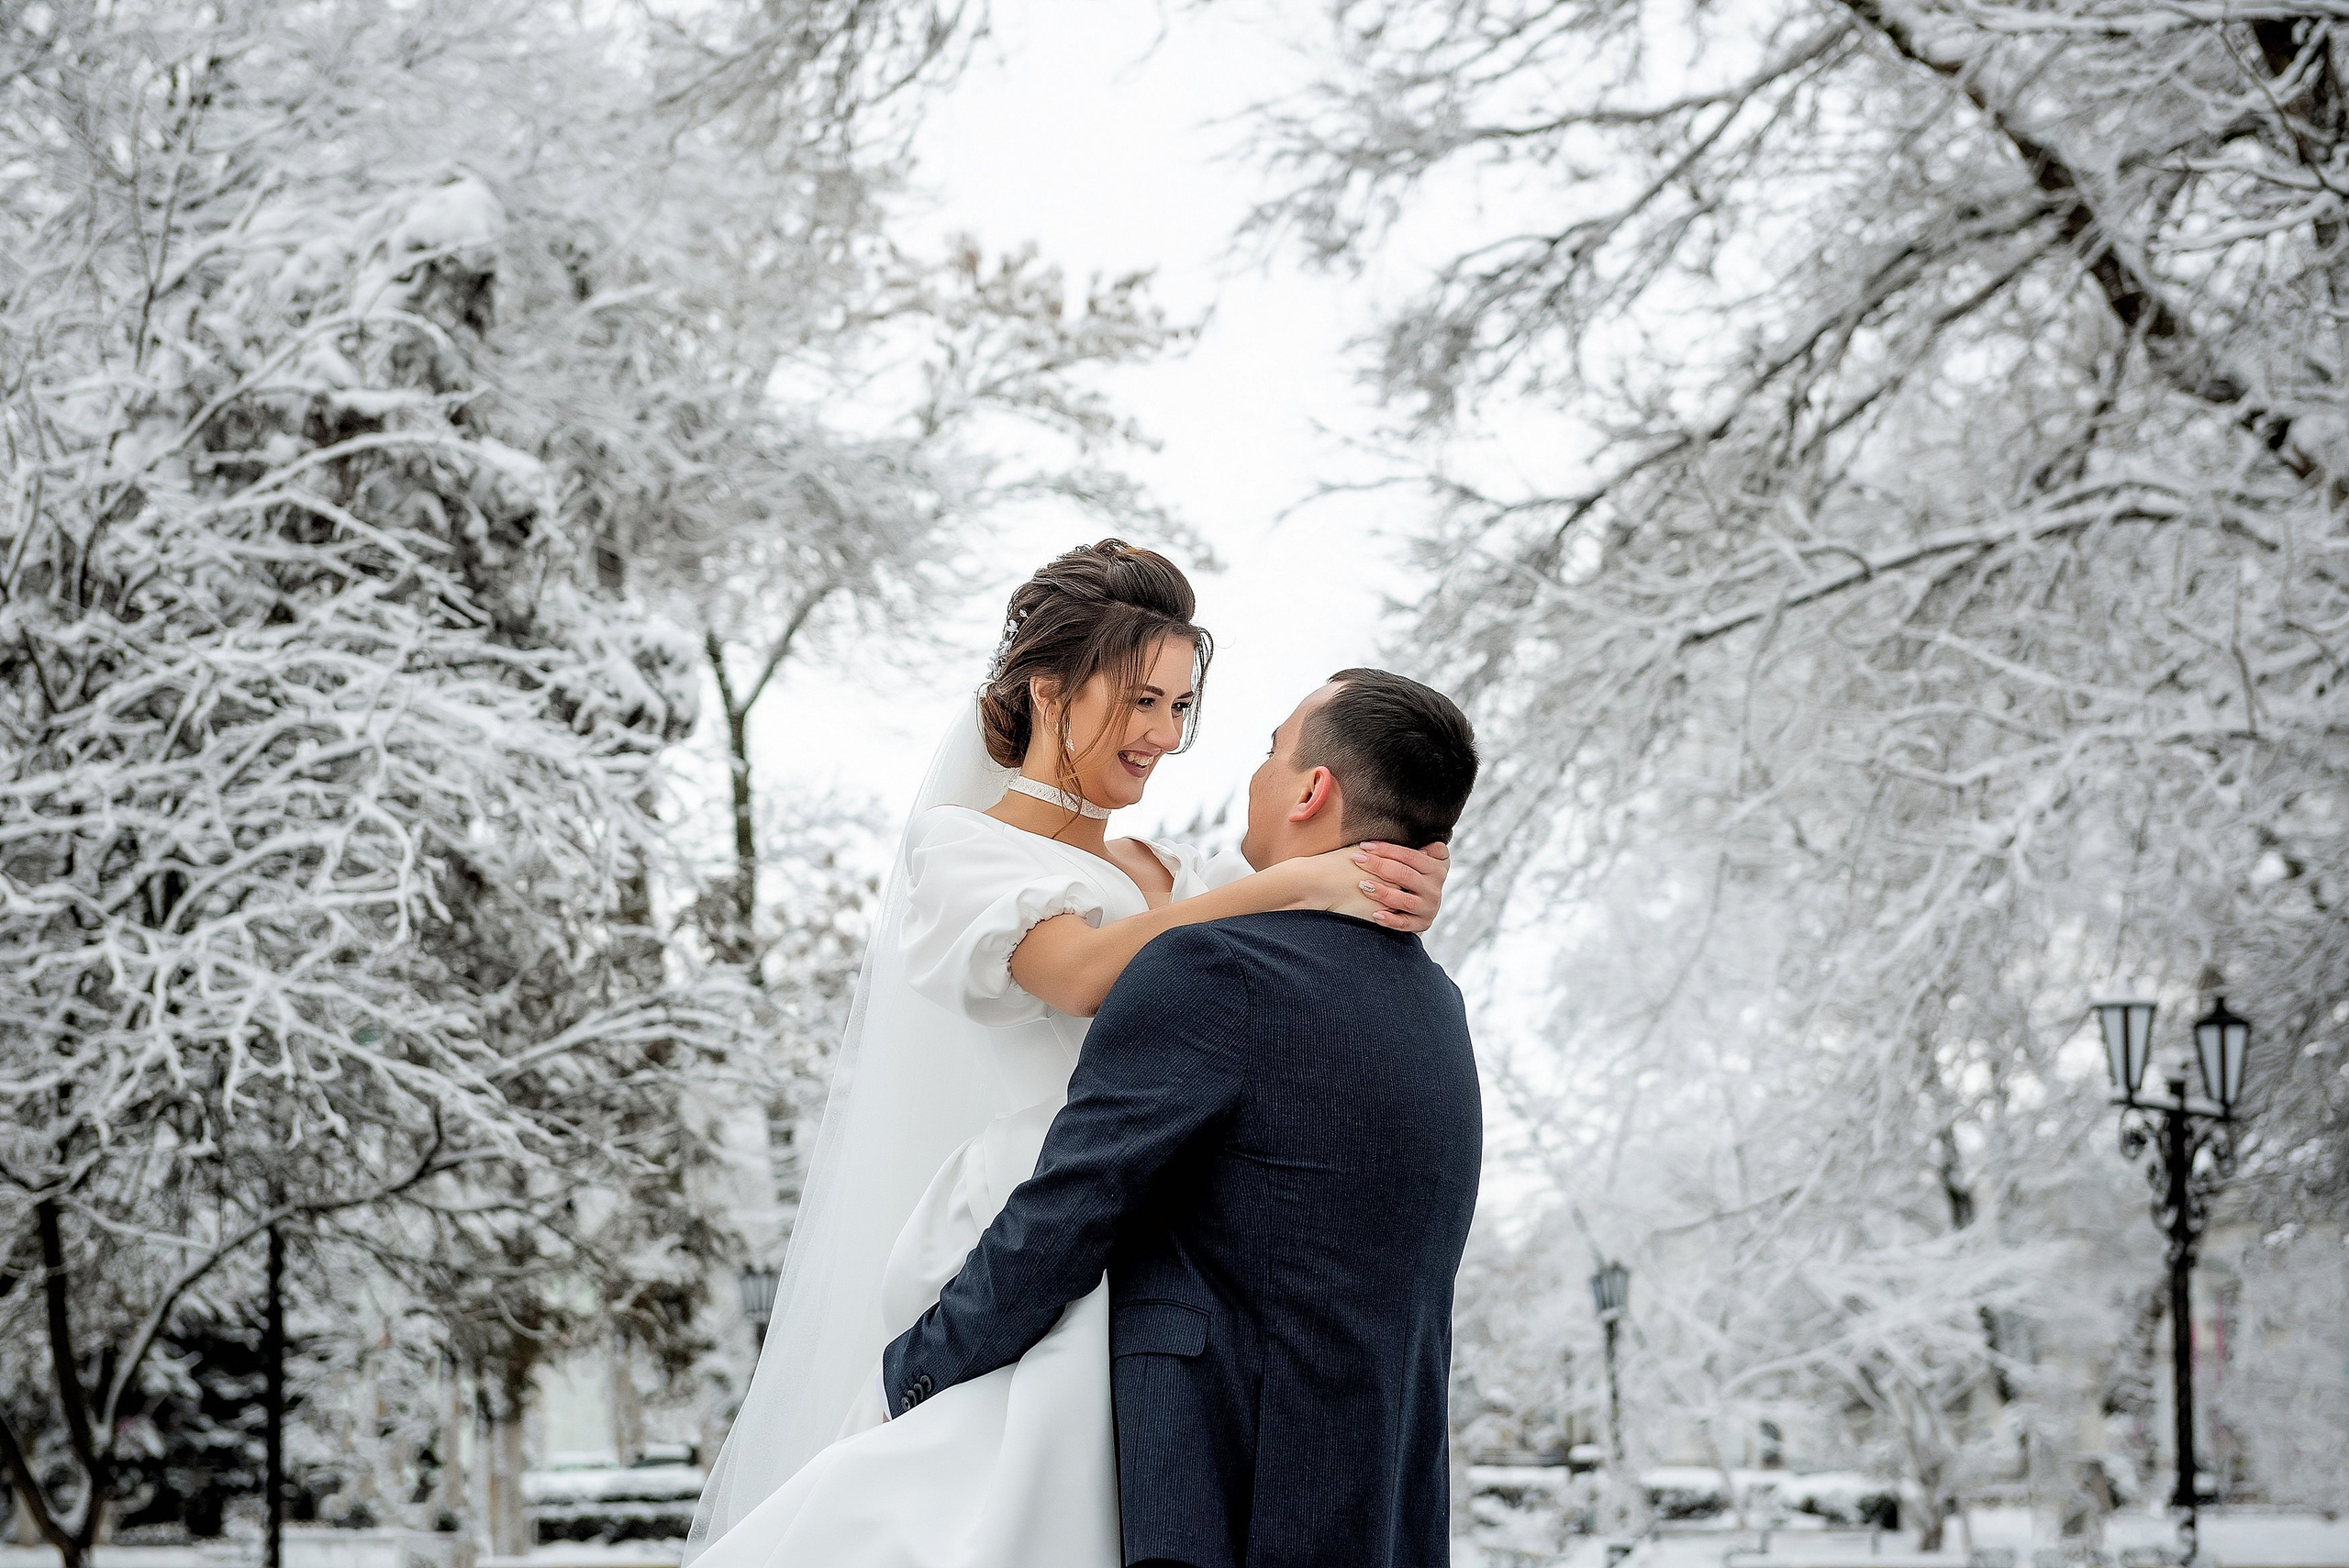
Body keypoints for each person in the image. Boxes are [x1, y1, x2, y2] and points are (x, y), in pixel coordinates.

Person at [685, 541, 1454, 1568]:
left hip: (1165, 1268)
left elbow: (1282, 967)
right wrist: (1294, 884)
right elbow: (1087, 972)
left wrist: (1390, 878)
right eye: (1141, 700)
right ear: (1050, 691)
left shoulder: (1170, 872)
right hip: (1041, 1241)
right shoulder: (962, 851)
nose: (1164, 734)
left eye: (1179, 706)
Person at [880, 668, 1483, 1568]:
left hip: (1222, 1494)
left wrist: (917, 1366)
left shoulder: (1213, 967)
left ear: (1312, 790)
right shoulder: (1436, 1003)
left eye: (1273, 752)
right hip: (1378, 1501)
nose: (1253, 770)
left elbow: (1070, 1209)